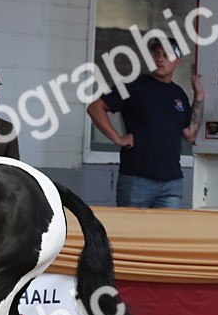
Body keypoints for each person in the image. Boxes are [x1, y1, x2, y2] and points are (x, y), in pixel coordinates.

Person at [86, 38, 205, 208]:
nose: (160, 59)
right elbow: (95, 107)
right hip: (136, 180)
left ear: (177, 62)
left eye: (166, 55)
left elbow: (190, 134)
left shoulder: (178, 94)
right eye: (156, 54)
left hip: (172, 182)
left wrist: (199, 97)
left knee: (165, 234)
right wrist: (118, 139)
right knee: (130, 233)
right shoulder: (133, 86)